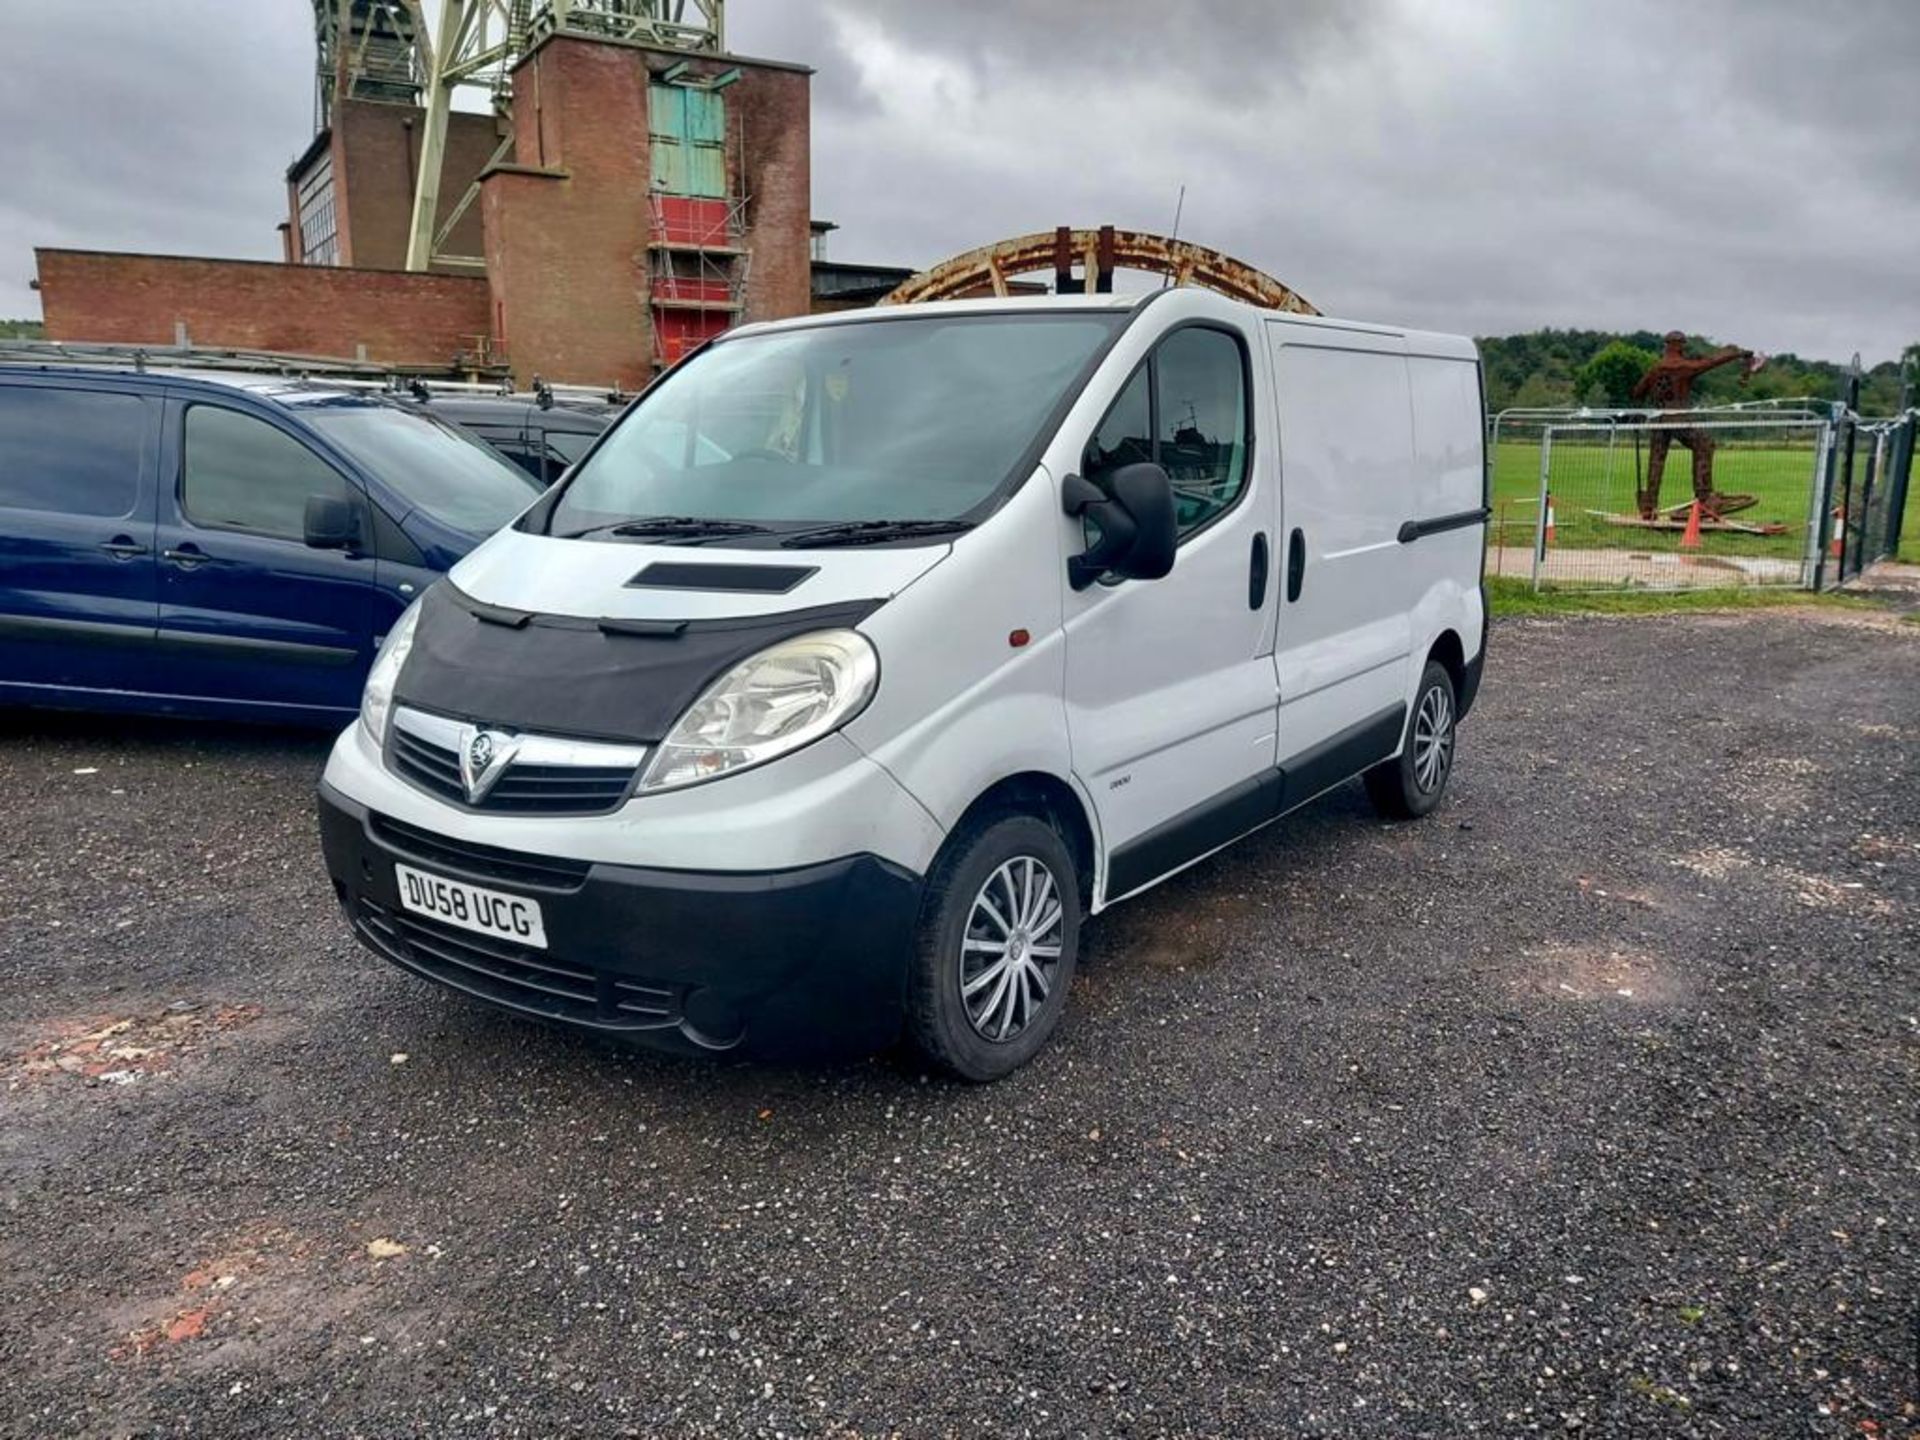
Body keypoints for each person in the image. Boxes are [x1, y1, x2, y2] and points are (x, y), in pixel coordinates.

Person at [1630, 332, 1755, 520]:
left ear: (1666, 346)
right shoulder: (1683, 366)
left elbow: (1637, 392)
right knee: (1704, 445)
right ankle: (1704, 497)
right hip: (1678, 419)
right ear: (1680, 345)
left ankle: (1649, 505)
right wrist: (1735, 354)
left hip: (1658, 420)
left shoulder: (1655, 369)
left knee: (1656, 461)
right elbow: (1709, 362)